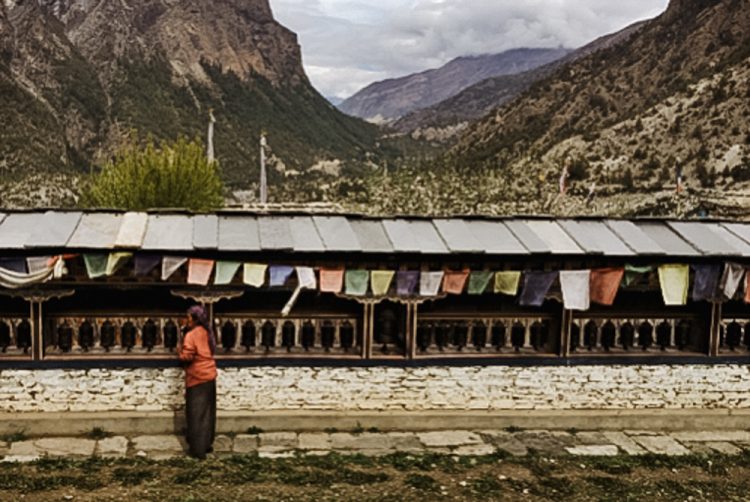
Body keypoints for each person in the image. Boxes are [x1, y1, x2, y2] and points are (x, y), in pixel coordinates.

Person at [178, 305, 217, 459]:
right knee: (207, 413)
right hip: (209, 375)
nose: (186, 320)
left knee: (195, 414)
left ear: (194, 319)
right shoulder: (207, 332)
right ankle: (206, 445)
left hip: (197, 377)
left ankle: (197, 450)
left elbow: (188, 356)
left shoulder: (191, 335)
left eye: (188, 318)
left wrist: (179, 352)